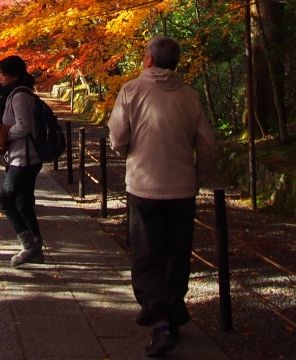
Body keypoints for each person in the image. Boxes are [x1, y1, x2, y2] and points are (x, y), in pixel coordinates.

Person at [109, 36, 216, 359]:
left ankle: (159, 322)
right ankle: (173, 313)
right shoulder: (190, 96)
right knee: (176, 252)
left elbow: (117, 137)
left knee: (147, 254)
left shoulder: (131, 91)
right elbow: (208, 145)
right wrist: (198, 176)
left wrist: (130, 154)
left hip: (144, 186)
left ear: (149, 60)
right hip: (182, 188)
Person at [0, 54, 45, 267]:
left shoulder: (19, 96)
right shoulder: (16, 93)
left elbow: (23, 127)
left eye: (2, 74)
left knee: (6, 200)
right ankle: (36, 249)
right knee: (23, 203)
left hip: (24, 158)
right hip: (23, 156)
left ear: (14, 76)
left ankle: (29, 247)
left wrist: (1, 134)